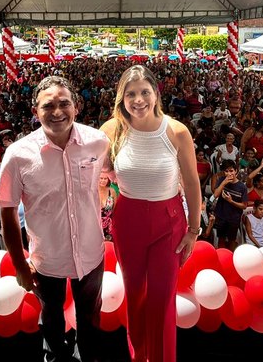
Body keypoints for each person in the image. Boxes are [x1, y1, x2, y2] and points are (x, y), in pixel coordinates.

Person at [0, 75, 109, 362]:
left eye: (64, 103)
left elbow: (109, 178)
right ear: (36, 111)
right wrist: (19, 264)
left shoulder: (97, 142)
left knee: (90, 315)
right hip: (46, 259)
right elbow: (6, 209)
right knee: (51, 316)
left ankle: (88, 355)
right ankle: (55, 354)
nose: (57, 112)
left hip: (92, 252)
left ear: (76, 107)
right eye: (48, 106)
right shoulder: (18, 155)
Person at [100, 65, 200, 362]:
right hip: (128, 219)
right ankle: (138, 355)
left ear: (156, 94)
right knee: (135, 296)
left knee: (161, 299)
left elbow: (193, 183)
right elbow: (98, 171)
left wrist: (193, 230)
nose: (138, 99)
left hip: (168, 221)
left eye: (145, 92)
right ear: (122, 98)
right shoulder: (111, 129)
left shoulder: (177, 131)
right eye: (131, 94)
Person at [211, 160, 248, 250]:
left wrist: (231, 201)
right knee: (221, 238)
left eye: (231, 171)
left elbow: (244, 205)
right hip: (221, 215)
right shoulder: (221, 180)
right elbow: (215, 195)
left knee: (232, 240)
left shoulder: (242, 187)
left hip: (234, 217)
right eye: (226, 171)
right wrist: (224, 183)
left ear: (236, 171)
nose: (229, 173)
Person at [98, 169, 117, 241]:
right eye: (101, 178)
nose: (103, 180)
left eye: (105, 178)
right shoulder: (93, 191)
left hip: (109, 229)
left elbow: (115, 210)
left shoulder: (112, 191)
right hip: (96, 227)